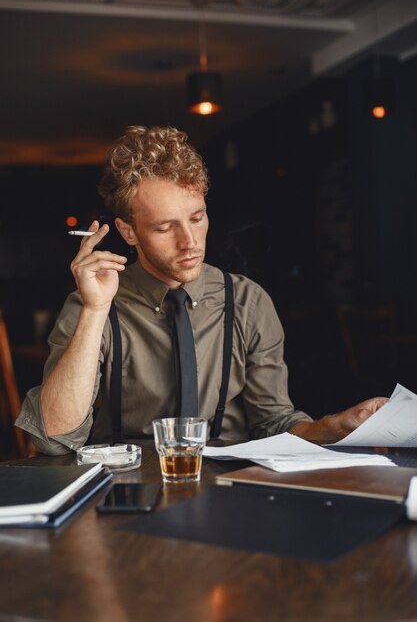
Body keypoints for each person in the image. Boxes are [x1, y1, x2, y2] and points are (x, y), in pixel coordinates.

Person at [16, 125, 387, 455]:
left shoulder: (247, 301)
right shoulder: (90, 304)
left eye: (197, 218)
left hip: (231, 491)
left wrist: (337, 427)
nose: (190, 241)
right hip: (126, 489)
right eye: (165, 228)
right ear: (129, 232)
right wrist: (96, 311)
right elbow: (53, 439)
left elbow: (274, 424)